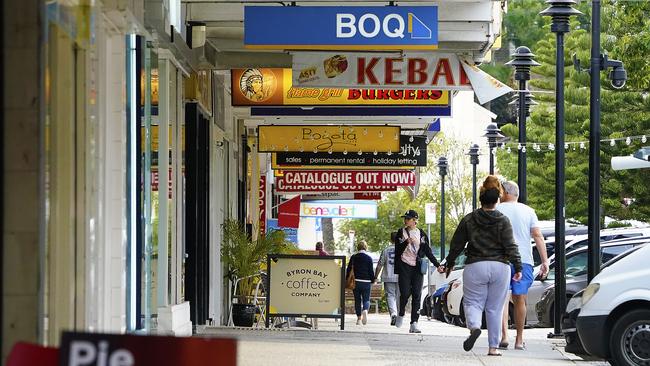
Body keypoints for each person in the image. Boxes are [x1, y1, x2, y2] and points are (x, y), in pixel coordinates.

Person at [443, 175, 522, 356]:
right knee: (495, 308)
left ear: (481, 197)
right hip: (500, 267)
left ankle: (475, 326)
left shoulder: (469, 219)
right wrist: (518, 267)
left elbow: (457, 244)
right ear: (498, 198)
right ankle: (493, 348)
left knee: (472, 302)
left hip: (475, 266)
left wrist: (450, 263)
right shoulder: (503, 220)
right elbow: (511, 245)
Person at [498, 180, 550, 350]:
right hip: (524, 260)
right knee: (521, 299)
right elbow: (537, 235)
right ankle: (519, 339)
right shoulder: (528, 211)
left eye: (500, 192)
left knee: (502, 298)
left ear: (505, 193)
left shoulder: (496, 210)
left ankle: (504, 336)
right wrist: (544, 261)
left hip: (501, 259)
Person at [394, 210, 444, 333]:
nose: (406, 220)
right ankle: (401, 313)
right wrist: (406, 242)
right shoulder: (401, 233)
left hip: (417, 267)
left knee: (417, 294)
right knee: (405, 293)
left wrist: (437, 265)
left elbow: (428, 251)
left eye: (409, 218)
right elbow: (397, 250)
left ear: (415, 220)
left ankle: (414, 323)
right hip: (404, 266)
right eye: (405, 218)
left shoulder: (421, 234)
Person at [346, 240, 375, 325]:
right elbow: (371, 271)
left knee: (357, 300)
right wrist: (373, 280)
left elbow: (348, 270)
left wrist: (347, 279)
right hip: (366, 282)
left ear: (357, 247)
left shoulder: (354, 257)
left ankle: (359, 319)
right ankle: (365, 310)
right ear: (366, 247)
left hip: (356, 282)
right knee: (366, 299)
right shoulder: (369, 258)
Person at [374, 232, 400, 325]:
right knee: (399, 296)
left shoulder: (385, 250)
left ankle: (393, 314)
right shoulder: (402, 249)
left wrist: (375, 277)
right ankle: (399, 316)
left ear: (390, 239)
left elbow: (379, 265)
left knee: (390, 296)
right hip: (400, 276)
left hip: (388, 276)